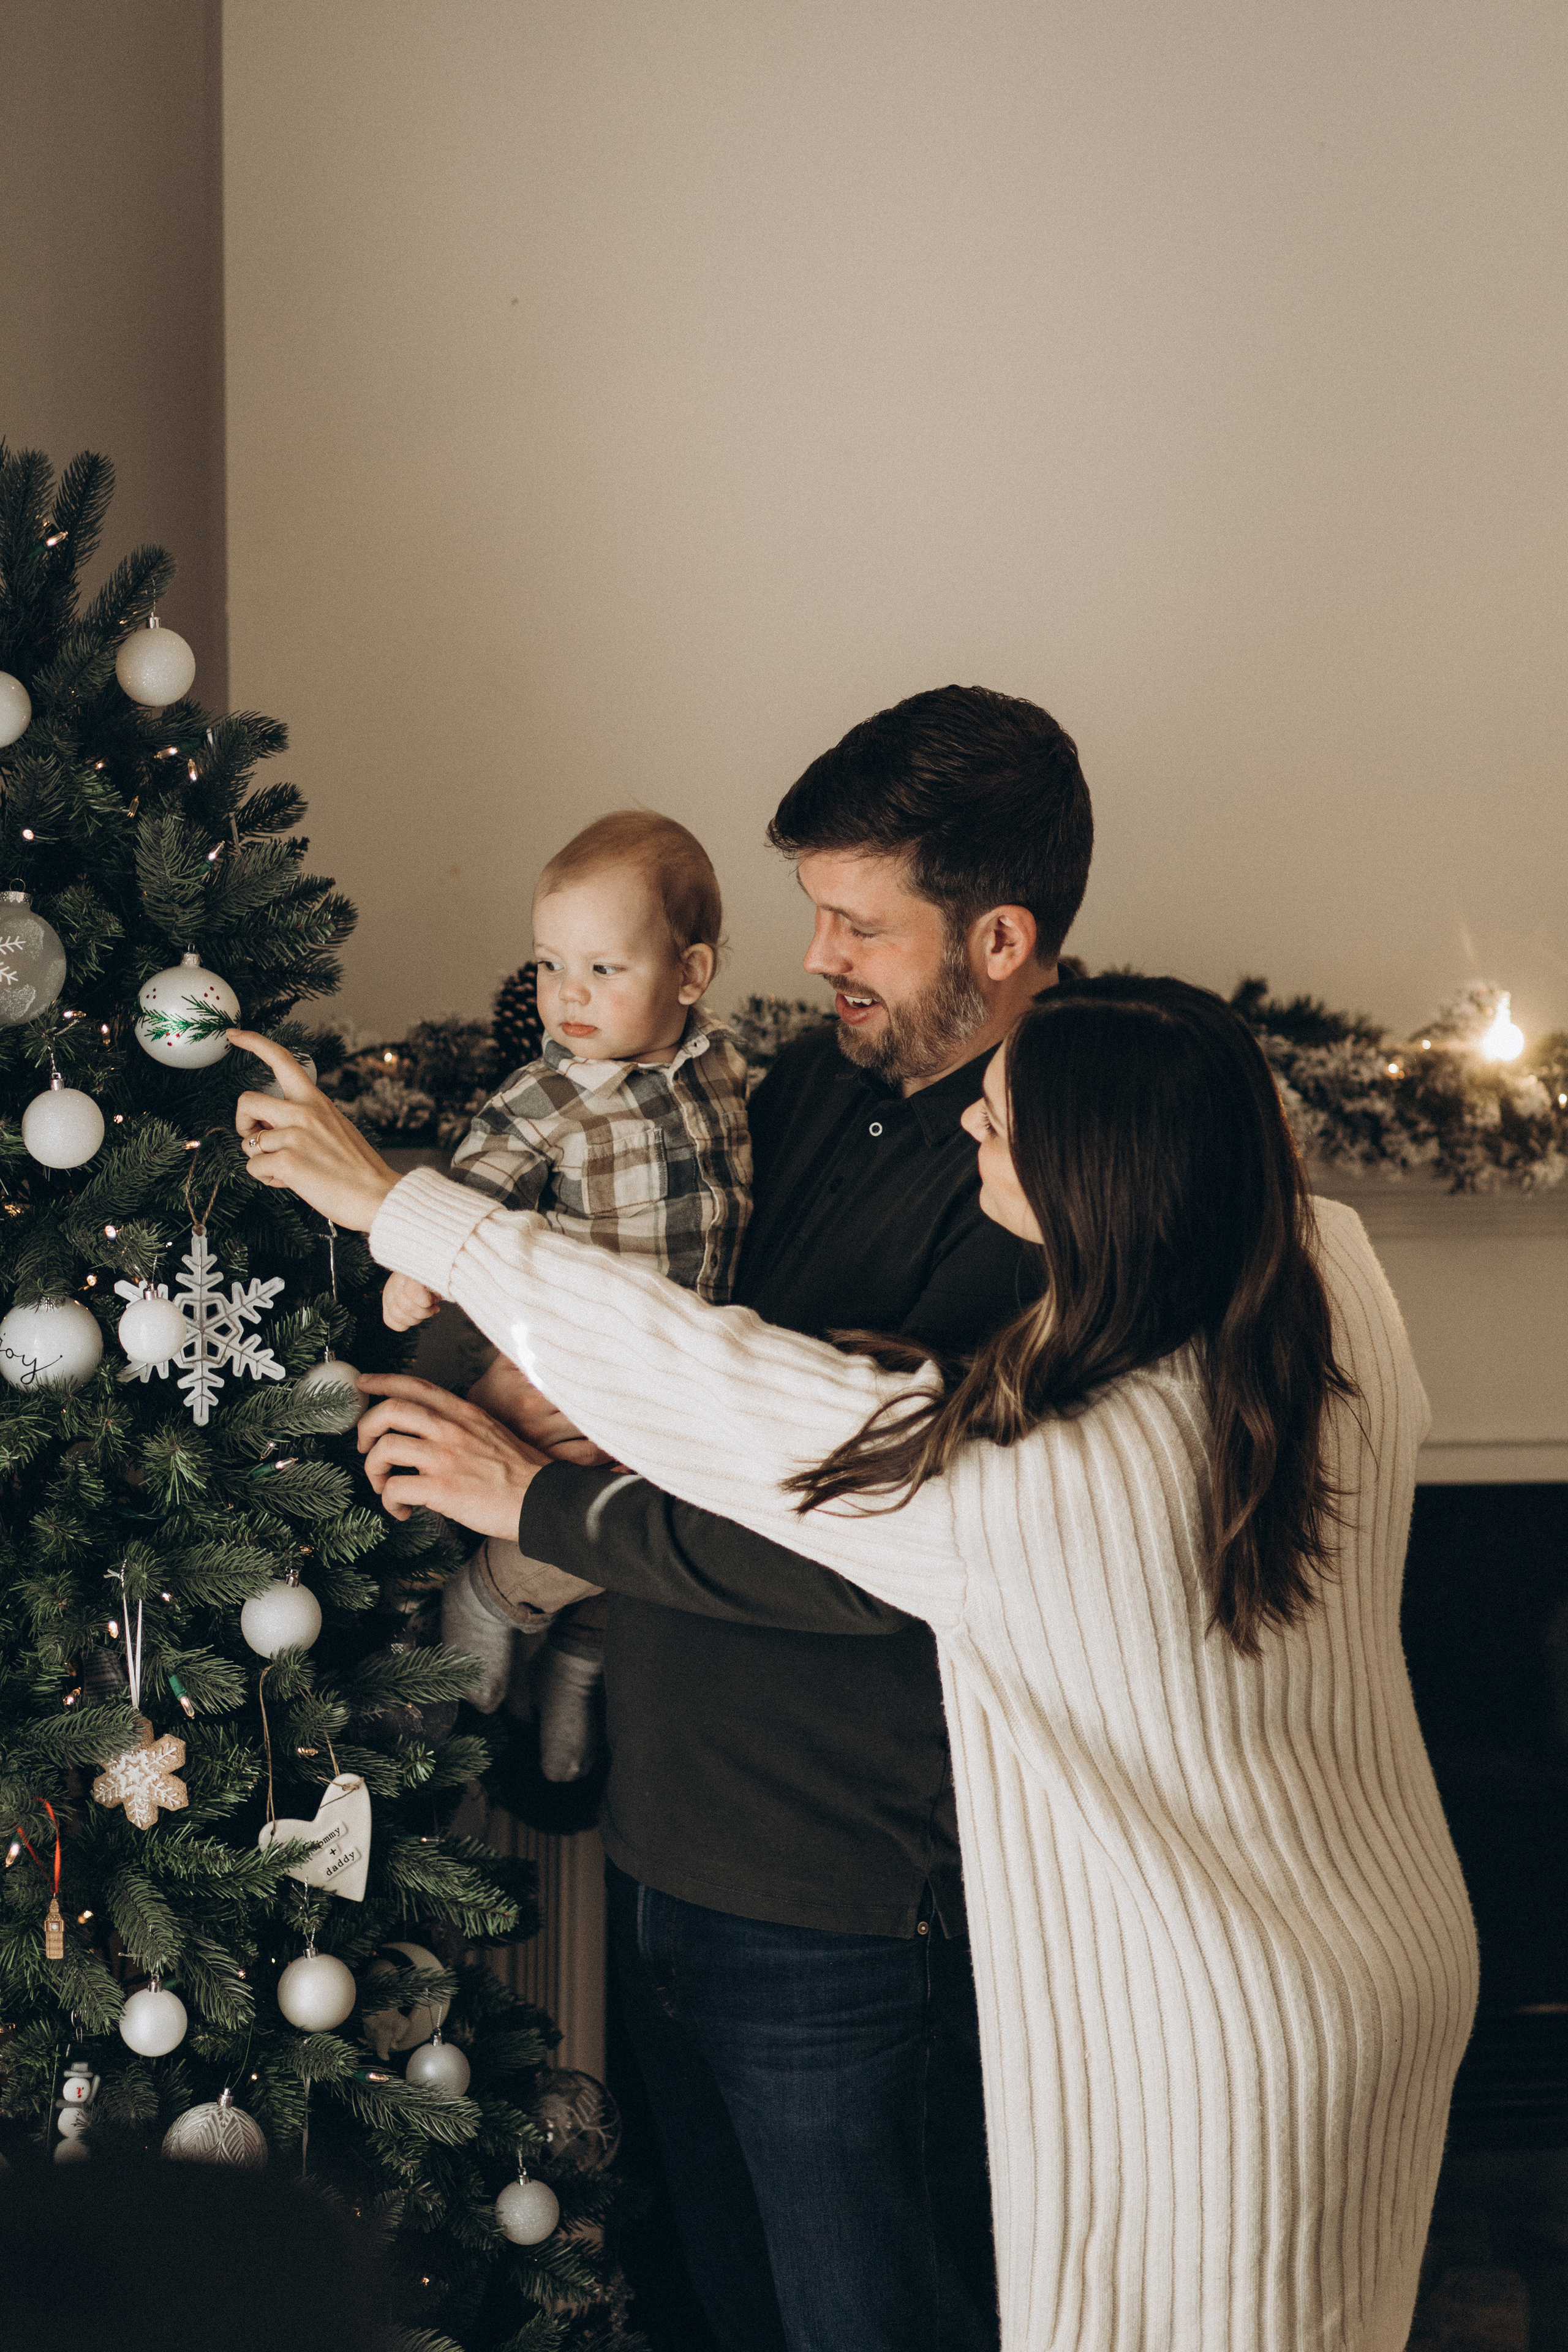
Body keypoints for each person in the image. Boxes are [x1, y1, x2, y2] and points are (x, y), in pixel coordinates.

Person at [232, 971, 1480, 2352]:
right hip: (1376, 1956)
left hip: (1212, 2026)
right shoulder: (1323, 1284)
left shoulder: (1037, 1492)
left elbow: (745, 1395)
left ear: (1093, 1179)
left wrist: (408, 1221)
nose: (969, 1141)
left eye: (1000, 1128)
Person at [237, 682, 1093, 2352]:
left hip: (849, 1900)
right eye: (812, 915)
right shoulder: (788, 1104)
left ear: (999, 937)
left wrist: (539, 1498)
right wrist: (522, 1378)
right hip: (672, 1843)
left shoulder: (1040, 1175)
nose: (823, 957)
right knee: (708, 2315)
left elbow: (884, 1543)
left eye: (862, 923)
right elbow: (668, 1343)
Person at [392, 808, 752, 1779]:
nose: (567, 997)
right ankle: (489, 1600)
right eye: (550, 965)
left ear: (690, 974)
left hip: (686, 1347)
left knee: (653, 1543)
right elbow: (468, 1189)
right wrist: (415, 1272)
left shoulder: (724, 1067)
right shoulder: (548, 1096)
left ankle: (575, 1682)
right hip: (579, 1354)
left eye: (604, 969)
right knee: (624, 1509)